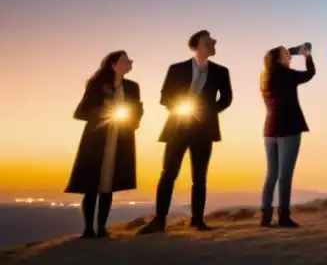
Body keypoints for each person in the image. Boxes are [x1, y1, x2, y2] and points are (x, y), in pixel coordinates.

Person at [138, 30, 233, 234]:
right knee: (168, 173)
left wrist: (207, 112)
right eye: (209, 41)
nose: (214, 43)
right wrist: (185, 108)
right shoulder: (177, 69)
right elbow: (165, 97)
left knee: (200, 177)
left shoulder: (221, 71)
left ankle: (197, 220)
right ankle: (159, 221)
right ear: (197, 45)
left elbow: (226, 99)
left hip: (204, 130)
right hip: (178, 128)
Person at [66, 51, 143, 239]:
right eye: (126, 61)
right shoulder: (97, 86)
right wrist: (104, 113)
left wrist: (133, 122)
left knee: (109, 184)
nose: (130, 63)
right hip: (97, 140)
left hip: (120, 139)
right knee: (92, 185)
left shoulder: (132, 87)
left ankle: (101, 228)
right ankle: (88, 228)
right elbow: (81, 112)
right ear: (113, 65)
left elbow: (137, 110)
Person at [260, 43, 316, 228]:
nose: (289, 57)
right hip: (289, 129)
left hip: (269, 130)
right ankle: (283, 216)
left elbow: (278, 57)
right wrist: (306, 55)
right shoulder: (286, 74)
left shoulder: (265, 76)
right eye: (286, 55)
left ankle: (265, 216)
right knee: (285, 175)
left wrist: (291, 51)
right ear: (278, 59)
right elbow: (309, 74)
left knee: (272, 175)